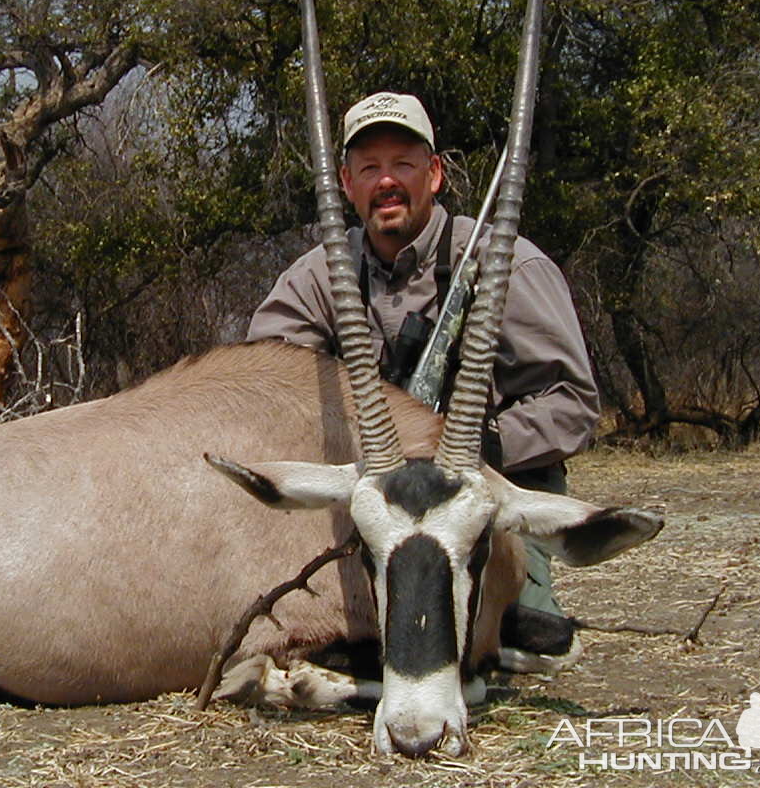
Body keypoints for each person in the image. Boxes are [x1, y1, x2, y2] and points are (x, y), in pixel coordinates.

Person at [247, 91, 600, 660]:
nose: (386, 181)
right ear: (346, 181)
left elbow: (572, 404)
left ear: (434, 174)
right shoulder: (318, 276)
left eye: (403, 164)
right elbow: (263, 381)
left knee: (507, 639)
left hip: (482, 500)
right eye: (369, 168)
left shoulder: (508, 264)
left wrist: (478, 445)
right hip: (376, 501)